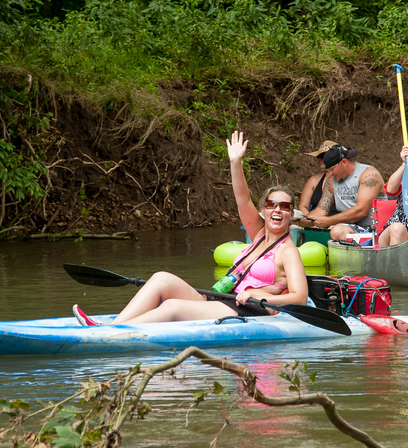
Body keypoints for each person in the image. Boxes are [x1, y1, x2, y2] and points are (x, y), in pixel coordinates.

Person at [72, 131, 309, 326]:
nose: (277, 210)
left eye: (285, 207)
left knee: (172, 306)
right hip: (224, 298)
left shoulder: (287, 251)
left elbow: (300, 297)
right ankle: (111, 328)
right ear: (264, 210)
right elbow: (242, 199)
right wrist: (235, 162)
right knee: (161, 278)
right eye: (272, 205)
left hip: (250, 311)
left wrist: (260, 295)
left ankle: (112, 332)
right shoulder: (258, 233)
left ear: (291, 214)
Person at [298, 145, 385, 242]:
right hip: (352, 228)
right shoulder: (331, 181)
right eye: (328, 171)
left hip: (376, 228)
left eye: (332, 169)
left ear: (344, 162)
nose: (330, 174)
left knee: (336, 229)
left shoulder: (368, 175)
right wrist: (300, 220)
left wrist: (329, 221)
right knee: (337, 230)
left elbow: (361, 210)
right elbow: (321, 210)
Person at [298, 140, 337, 215]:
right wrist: (310, 221)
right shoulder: (314, 180)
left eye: (323, 156)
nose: (319, 159)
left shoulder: (347, 179)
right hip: (315, 221)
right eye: (318, 156)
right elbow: (303, 206)